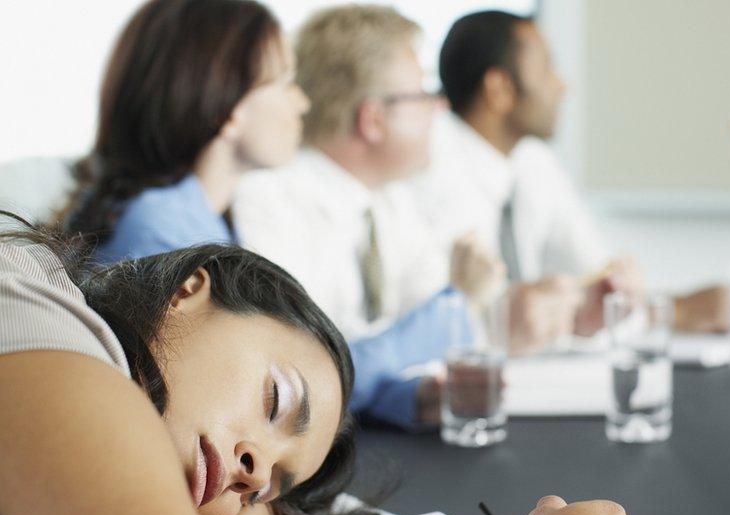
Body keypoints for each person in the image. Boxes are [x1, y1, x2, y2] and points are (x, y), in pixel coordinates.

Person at [0, 216, 645, 515]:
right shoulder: (24, 296)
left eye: (270, 490)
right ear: (192, 290)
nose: (253, 474)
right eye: (277, 399)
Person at [58, 0, 460, 430]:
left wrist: (405, 400)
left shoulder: (205, 216)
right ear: (227, 109)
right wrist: (452, 319)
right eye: (286, 83)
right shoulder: (163, 235)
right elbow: (265, 395)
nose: (303, 103)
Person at [414, 10, 727, 333]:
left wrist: (637, 303)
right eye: (547, 69)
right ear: (499, 89)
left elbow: (596, 274)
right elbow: (432, 324)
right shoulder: (427, 170)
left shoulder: (534, 161)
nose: (561, 86)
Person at [234, 6, 504, 340]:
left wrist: (475, 309)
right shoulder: (270, 200)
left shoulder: (389, 198)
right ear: (373, 120)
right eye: (423, 94)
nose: (440, 107)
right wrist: (458, 306)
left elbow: (426, 312)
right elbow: (314, 356)